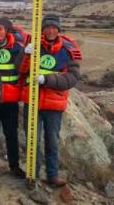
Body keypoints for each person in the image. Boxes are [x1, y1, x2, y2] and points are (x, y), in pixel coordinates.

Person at [20, 14, 82, 187]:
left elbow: (72, 78)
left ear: (59, 30)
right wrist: (26, 54)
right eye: (47, 27)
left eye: (54, 28)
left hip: (54, 104)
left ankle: (52, 175)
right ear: (42, 30)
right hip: (32, 101)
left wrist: (46, 80)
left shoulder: (68, 50)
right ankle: (32, 175)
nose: (50, 31)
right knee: (32, 141)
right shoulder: (33, 45)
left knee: (52, 141)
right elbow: (21, 70)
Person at [0, 17, 27, 178]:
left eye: (0, 29)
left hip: (11, 100)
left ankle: (14, 166)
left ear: (6, 30)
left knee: (11, 134)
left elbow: (23, 69)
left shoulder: (18, 48)